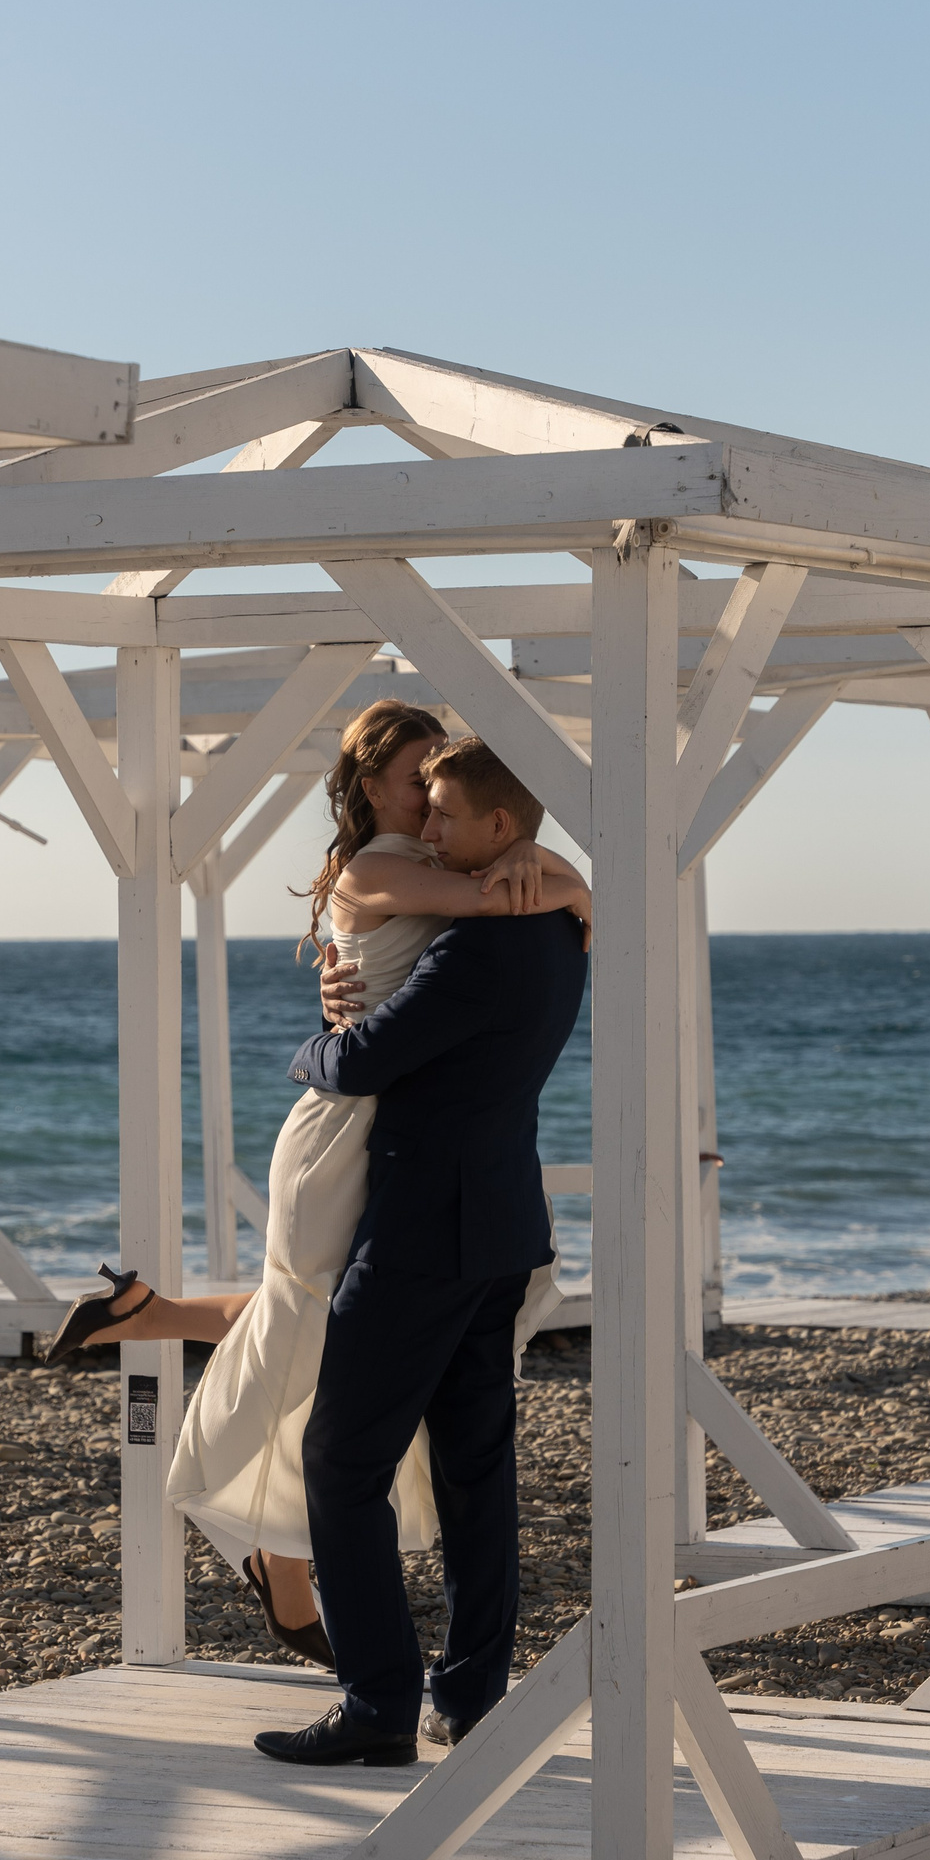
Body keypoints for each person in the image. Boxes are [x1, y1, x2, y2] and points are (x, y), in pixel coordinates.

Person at [42, 702, 590, 1668]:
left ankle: (168, 1350)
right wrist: (560, 880)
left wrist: (552, 871)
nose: (432, 799)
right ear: (372, 785)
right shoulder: (377, 868)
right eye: (419, 780)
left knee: (321, 1328)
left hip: (398, 1124)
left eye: (443, 785)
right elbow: (496, 900)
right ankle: (258, 1527)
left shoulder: (437, 856)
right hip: (344, 1126)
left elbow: (510, 892)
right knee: (309, 1326)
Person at [251, 735, 590, 1769]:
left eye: (445, 813)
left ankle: (380, 1704)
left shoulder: (476, 947)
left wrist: (306, 1045)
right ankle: (472, 1696)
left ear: (501, 825)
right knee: (476, 1472)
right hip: (502, 1227)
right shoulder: (557, 932)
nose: (430, 829)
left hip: (421, 1234)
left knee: (340, 1462)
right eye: (424, 807)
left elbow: (362, 1062)